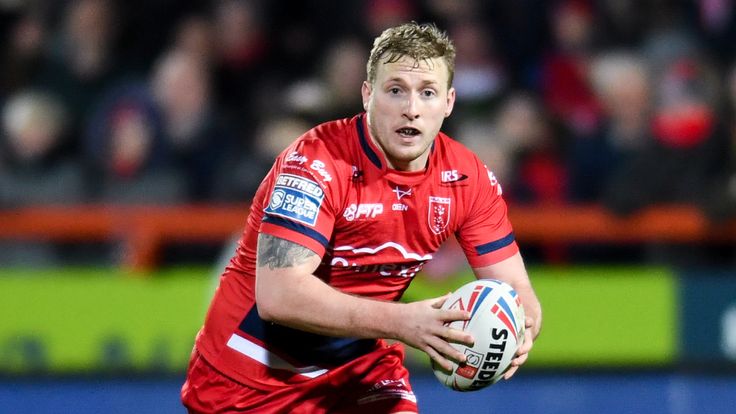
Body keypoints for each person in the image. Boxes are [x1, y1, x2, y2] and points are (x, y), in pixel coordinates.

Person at [181, 22, 542, 413]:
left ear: (449, 102)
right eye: (396, 90)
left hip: (360, 369)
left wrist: (516, 331)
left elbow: (517, 292)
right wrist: (403, 322)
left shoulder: (467, 178)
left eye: (428, 93)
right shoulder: (315, 162)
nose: (412, 108)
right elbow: (278, 296)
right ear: (368, 95)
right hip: (248, 380)